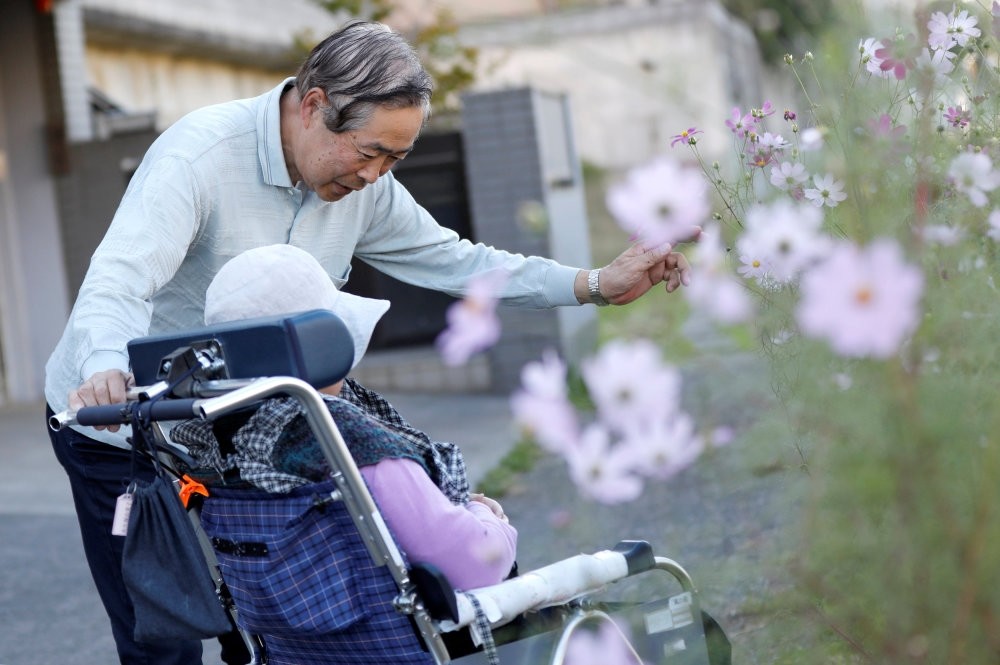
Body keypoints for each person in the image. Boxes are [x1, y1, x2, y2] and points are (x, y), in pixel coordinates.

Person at [44, 19, 694, 665]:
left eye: (395, 158)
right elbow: (119, 280)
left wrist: (594, 283)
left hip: (257, 429)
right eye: (368, 151)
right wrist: (104, 367)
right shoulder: (201, 156)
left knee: (278, 616)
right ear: (314, 105)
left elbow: (458, 262)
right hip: (125, 423)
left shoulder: (367, 187)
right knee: (166, 630)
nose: (377, 174)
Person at [170, 244, 516, 591]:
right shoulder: (348, 441)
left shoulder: (216, 442)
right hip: (405, 637)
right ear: (320, 341)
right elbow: (475, 566)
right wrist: (487, 517)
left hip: (291, 643)